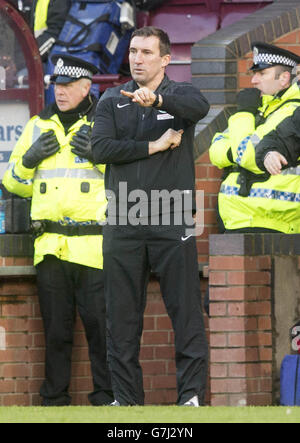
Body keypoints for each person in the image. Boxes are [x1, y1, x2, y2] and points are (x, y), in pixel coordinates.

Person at [92, 26, 209, 407]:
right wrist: (153, 146)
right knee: (121, 320)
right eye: (133, 52)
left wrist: (158, 101)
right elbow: (101, 148)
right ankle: (127, 402)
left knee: (185, 311)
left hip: (172, 218)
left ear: (165, 59)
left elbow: (200, 108)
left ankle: (190, 398)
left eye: (146, 52)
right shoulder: (111, 99)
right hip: (123, 220)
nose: (137, 59)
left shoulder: (179, 95)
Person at [2, 54, 113, 407]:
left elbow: (128, 180)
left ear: (86, 87)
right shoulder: (37, 126)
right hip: (50, 247)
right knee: (56, 332)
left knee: (101, 331)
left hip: (94, 246)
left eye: (67, 86)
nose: (60, 93)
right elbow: (12, 183)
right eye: (56, 86)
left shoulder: (105, 125)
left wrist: (100, 156)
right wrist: (28, 160)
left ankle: (107, 398)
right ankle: (54, 400)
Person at [209, 42, 300, 234]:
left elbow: (250, 156)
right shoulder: (258, 107)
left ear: (284, 78)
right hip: (237, 220)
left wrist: (243, 114)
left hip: (271, 223)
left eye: (262, 73)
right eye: (254, 74)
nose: (254, 81)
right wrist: (238, 147)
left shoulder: (293, 111)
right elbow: (215, 149)